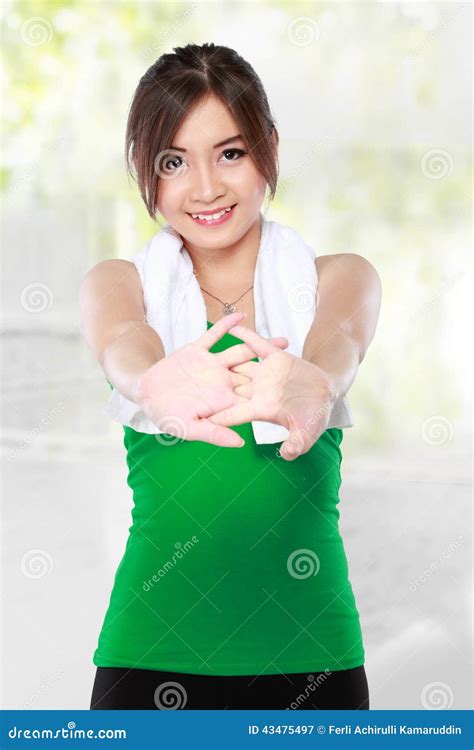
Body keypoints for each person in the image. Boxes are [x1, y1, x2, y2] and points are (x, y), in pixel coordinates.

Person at [80, 43, 381, 710]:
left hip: (313, 660)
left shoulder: (337, 276)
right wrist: (149, 381)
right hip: (149, 657)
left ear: (267, 147)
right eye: (172, 161)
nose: (207, 187)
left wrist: (318, 382)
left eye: (231, 153)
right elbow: (122, 342)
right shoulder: (123, 283)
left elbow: (341, 337)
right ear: (144, 167)